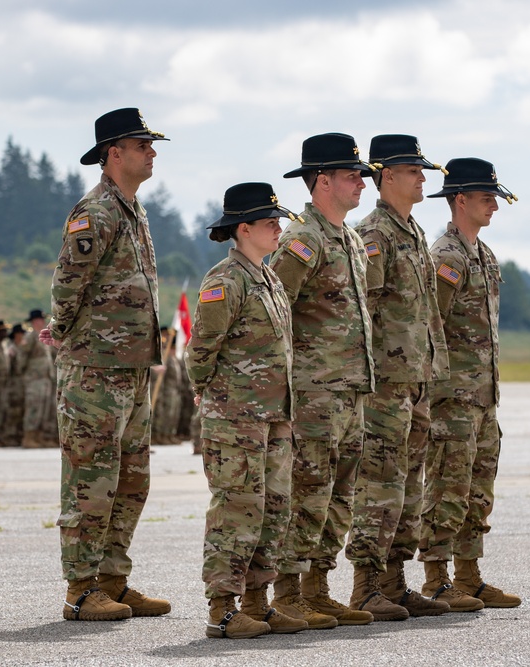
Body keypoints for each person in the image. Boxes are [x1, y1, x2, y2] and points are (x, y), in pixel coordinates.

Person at [39, 107, 170, 622]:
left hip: (130, 366)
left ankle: (112, 581)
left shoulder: (132, 209)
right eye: (143, 145)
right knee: (91, 478)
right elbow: (68, 282)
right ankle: (80, 590)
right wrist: (69, 338)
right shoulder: (96, 212)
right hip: (95, 366)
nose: (152, 152)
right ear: (113, 153)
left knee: (132, 478)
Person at [187, 182, 306, 639]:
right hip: (235, 416)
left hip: (275, 415)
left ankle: (257, 602)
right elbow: (202, 350)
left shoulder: (269, 277)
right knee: (237, 509)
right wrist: (207, 392)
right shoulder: (226, 280)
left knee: (273, 509)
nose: (279, 229)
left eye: (278, 221)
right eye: (270, 223)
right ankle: (222, 607)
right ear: (243, 228)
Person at [268, 132, 377, 627]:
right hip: (313, 394)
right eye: (352, 175)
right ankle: (287, 592)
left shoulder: (350, 239)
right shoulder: (302, 240)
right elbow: (273, 311)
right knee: (307, 494)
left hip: (351, 392)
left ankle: (317, 588)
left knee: (339, 498)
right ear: (322, 180)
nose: (362, 183)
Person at [344, 134, 450, 619]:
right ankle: (365, 585)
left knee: (408, 485)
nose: (423, 178)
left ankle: (393, 580)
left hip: (415, 380)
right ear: (387, 175)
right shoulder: (374, 235)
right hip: (386, 384)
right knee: (380, 484)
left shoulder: (412, 232)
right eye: (414, 171)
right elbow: (360, 311)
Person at [418, 157, 522, 610]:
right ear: (460, 200)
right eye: (486, 198)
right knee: (446, 487)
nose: (494, 206)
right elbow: (430, 326)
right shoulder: (446, 256)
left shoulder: (483, 254)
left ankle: (469, 574)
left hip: (482, 398)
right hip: (452, 399)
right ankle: (437, 578)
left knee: (477, 490)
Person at [18, 310, 54, 448]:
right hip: (34, 379)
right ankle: (29, 437)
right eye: (39, 320)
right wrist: (25, 374)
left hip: (45, 378)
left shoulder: (43, 336)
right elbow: (22, 358)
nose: (42, 322)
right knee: (33, 407)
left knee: (43, 408)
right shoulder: (30, 337)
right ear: (33, 322)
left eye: (42, 320)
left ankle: (39, 436)